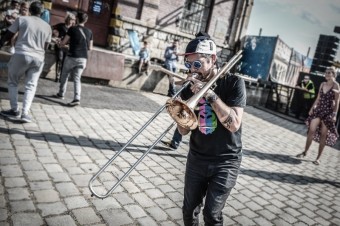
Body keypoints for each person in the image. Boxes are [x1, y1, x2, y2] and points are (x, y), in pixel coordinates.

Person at [174, 33, 246, 225]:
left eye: (197, 64)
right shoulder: (189, 86)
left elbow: (234, 124)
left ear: (212, 59)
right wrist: (180, 113)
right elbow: (183, 132)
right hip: (197, 157)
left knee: (212, 215)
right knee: (189, 211)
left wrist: (210, 95)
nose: (192, 70)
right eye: (188, 64)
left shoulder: (233, 83)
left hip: (226, 161)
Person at [0, 1, 52, 123]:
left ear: (30, 10)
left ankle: (14, 109)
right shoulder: (47, 26)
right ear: (41, 12)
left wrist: (1, 44)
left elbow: (9, 34)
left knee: (13, 81)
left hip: (21, 54)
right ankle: (25, 113)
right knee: (31, 85)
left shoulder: (22, 19)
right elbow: (47, 46)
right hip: (39, 57)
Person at [296, 67, 339, 165]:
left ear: (333, 74)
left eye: (329, 73)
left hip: (328, 113)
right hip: (318, 110)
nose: (327, 74)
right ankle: (305, 152)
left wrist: (334, 115)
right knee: (311, 131)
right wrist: (312, 108)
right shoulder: (322, 84)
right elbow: (318, 98)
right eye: (326, 72)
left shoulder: (336, 85)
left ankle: (318, 158)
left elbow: (337, 101)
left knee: (324, 135)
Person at [54, 11, 93, 106]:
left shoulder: (72, 29)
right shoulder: (89, 31)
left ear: (77, 19)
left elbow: (63, 43)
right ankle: (77, 98)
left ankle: (61, 93)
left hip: (72, 56)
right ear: (86, 20)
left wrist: (60, 43)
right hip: (83, 58)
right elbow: (90, 48)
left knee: (64, 74)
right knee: (77, 78)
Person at [52, 12, 76, 82]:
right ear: (68, 19)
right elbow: (51, 28)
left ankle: (62, 77)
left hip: (68, 47)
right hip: (60, 46)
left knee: (65, 62)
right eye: (72, 19)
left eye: (74, 19)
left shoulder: (73, 28)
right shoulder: (61, 26)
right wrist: (55, 37)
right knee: (60, 59)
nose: (73, 21)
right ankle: (57, 76)